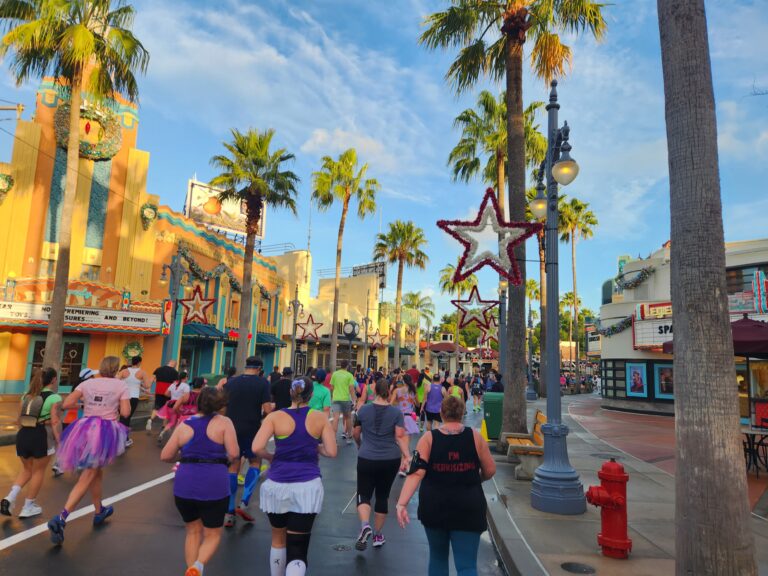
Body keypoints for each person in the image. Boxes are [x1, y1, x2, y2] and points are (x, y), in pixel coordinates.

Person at [396, 396, 496, 576]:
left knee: (438, 559)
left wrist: (401, 503)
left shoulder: (428, 438)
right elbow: (490, 470)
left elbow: (417, 473)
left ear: (441, 413)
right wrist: (475, 478)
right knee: (467, 566)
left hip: (435, 506)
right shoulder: (475, 436)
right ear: (462, 413)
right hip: (469, 507)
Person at [253, 377, 337, 576]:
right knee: (298, 546)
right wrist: (314, 446)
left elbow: (256, 447)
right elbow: (332, 452)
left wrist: (271, 457)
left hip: (276, 485)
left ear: (291, 393)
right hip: (307, 486)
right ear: (311, 395)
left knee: (278, 539)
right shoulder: (320, 418)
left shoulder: (274, 417)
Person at [47, 356, 131, 545]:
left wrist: (86, 405)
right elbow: (125, 413)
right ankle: (61, 518)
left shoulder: (87, 383)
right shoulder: (120, 385)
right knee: (88, 475)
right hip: (104, 432)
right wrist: (114, 405)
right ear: (116, 369)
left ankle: (99, 511)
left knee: (96, 472)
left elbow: (67, 404)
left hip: (84, 428)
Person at [161, 387, 239, 576]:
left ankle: (191, 570)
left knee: (193, 531)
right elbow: (235, 453)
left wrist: (184, 455)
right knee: (212, 533)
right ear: (219, 404)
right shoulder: (224, 423)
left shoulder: (185, 425)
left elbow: (166, 456)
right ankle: (197, 566)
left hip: (185, 484)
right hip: (214, 484)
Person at [353, 377, 410, 550]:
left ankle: (365, 526)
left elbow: (356, 433)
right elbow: (399, 436)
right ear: (389, 391)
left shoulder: (363, 411)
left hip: (366, 457)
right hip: (389, 459)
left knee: (363, 493)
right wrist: (406, 456)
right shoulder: (396, 413)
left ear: (375, 391)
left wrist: (360, 446)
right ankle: (378, 535)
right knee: (382, 495)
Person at [1, 368, 62, 518]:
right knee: (38, 471)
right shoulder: (55, 398)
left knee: (27, 469)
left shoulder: (25, 396)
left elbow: (19, 420)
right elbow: (55, 421)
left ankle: (10, 498)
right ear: (53, 380)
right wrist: (60, 440)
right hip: (41, 436)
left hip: (23, 435)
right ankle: (28, 506)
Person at [223, 356, 272, 527]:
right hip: (252, 427)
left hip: (231, 428)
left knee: (233, 466)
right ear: (259, 368)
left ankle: (229, 511)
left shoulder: (231, 382)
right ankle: (244, 502)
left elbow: (222, 407)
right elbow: (267, 409)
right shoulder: (262, 383)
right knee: (255, 462)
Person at [119, 356, 150, 448]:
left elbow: (116, 380)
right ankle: (124, 439)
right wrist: (141, 383)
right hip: (133, 397)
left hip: (123, 397)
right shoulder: (142, 372)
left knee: (122, 417)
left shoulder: (124, 371)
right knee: (127, 417)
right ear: (139, 362)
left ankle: (122, 438)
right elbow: (147, 385)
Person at [157, 371, 191, 444]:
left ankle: (162, 433)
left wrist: (173, 397)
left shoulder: (173, 384)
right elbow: (186, 399)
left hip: (170, 404)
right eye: (187, 377)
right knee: (180, 421)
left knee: (172, 422)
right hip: (179, 405)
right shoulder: (186, 386)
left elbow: (166, 393)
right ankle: (177, 439)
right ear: (185, 378)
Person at [148, 360, 180, 431]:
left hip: (159, 390)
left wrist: (149, 387)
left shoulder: (159, 369)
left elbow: (152, 378)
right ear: (174, 364)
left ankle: (150, 419)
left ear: (168, 363)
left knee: (156, 406)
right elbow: (176, 384)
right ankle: (164, 425)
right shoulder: (175, 372)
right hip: (168, 392)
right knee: (167, 408)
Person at [330, 360, 357, 445]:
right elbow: (352, 389)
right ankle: (349, 437)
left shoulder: (335, 374)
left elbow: (332, 387)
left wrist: (332, 397)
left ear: (340, 365)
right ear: (347, 366)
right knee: (348, 418)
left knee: (335, 418)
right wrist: (354, 401)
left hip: (336, 398)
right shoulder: (349, 375)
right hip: (345, 399)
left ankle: (334, 438)